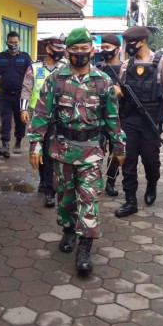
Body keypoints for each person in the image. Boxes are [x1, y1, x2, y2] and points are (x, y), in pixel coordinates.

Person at [28, 27, 126, 274]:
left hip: (92, 151)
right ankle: (69, 230)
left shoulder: (103, 81)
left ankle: (85, 247)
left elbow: (113, 118)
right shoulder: (56, 80)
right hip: (62, 149)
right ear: (67, 52)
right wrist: (35, 145)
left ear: (92, 50)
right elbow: (41, 114)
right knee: (66, 198)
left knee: (89, 198)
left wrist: (119, 146)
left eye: (84, 49)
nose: (80, 53)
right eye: (74, 49)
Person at [114, 25, 163, 218]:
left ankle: (152, 184)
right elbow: (120, 88)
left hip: (151, 117)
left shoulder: (161, 61)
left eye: (131, 43)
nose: (128, 47)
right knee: (128, 158)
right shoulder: (127, 64)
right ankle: (130, 199)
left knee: (151, 159)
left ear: (142, 42)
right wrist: (117, 91)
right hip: (130, 118)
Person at [20, 34, 67, 208]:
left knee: (54, 154)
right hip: (39, 116)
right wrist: (23, 109)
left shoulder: (65, 68)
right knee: (41, 151)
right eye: (57, 49)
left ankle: (51, 187)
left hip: (61, 116)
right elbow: (26, 89)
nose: (60, 53)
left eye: (62, 50)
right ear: (48, 49)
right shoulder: (35, 68)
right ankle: (46, 185)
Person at [0, 31, 32, 158]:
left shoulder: (26, 58)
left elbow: (30, 77)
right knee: (5, 121)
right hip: (4, 95)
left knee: (20, 121)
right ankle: (5, 145)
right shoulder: (1, 57)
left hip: (20, 96)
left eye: (16, 42)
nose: (13, 45)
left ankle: (18, 142)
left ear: (19, 42)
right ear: (7, 43)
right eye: (11, 42)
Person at [95, 33, 124, 197]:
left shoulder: (125, 68)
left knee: (116, 150)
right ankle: (95, 179)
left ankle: (111, 181)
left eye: (107, 47)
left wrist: (121, 91)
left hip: (118, 118)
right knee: (96, 150)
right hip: (98, 117)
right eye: (102, 47)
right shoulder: (98, 68)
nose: (104, 50)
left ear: (117, 49)